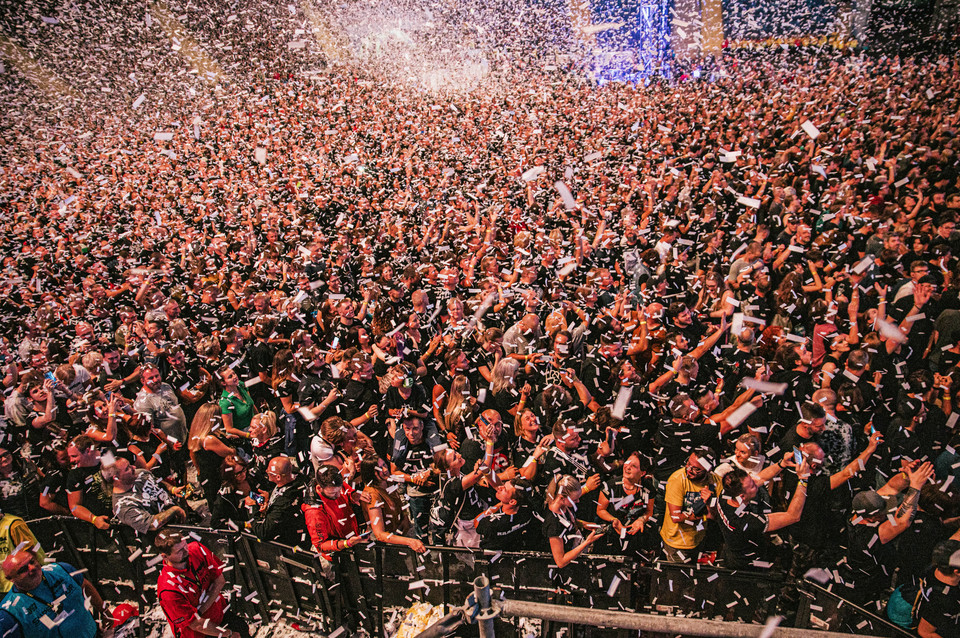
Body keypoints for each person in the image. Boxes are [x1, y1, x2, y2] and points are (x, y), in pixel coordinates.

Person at [155, 530, 250, 638]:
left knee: (242, 629)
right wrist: (228, 634)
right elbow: (196, 624)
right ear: (164, 556)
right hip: (200, 634)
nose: (186, 551)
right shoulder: (168, 590)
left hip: (221, 614)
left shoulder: (196, 549)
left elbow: (220, 581)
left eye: (185, 545)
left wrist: (200, 610)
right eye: (179, 551)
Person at [0, 550, 108, 638]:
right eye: (23, 569)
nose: (32, 568)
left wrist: (104, 611)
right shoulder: (9, 613)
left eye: (32, 561)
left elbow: (85, 585)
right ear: (10, 579)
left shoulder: (61, 570)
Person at [660, 448, 723, 563]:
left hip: (699, 539)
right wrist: (705, 517)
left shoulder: (716, 482)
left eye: (696, 469)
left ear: (707, 470)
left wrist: (710, 503)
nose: (689, 469)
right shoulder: (677, 479)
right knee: (679, 578)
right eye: (688, 463)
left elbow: (717, 516)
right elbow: (676, 517)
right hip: (677, 541)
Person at [103, 457, 185, 535]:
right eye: (127, 468)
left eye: (130, 464)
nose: (134, 467)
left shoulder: (140, 473)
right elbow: (152, 524)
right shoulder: (123, 506)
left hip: (181, 516)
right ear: (116, 478)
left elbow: (156, 480)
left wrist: (172, 489)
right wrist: (174, 510)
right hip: (168, 536)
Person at [247, 456, 307, 548]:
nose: (266, 471)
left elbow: (263, 533)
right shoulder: (297, 479)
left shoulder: (284, 503)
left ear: (278, 477)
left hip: (290, 542)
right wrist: (269, 496)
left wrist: (253, 507)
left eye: (269, 472)